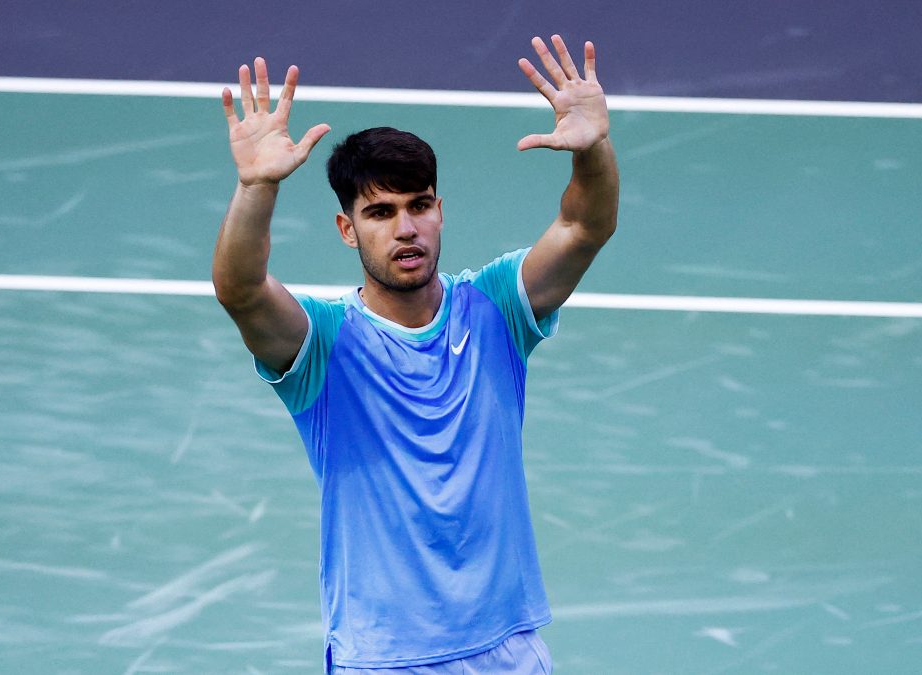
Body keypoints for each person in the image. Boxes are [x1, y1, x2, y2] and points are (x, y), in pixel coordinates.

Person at [212, 35, 618, 674]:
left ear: (439, 210)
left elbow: (583, 227)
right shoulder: (322, 344)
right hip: (385, 658)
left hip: (506, 650)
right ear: (348, 229)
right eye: (380, 212)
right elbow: (240, 290)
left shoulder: (497, 310)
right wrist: (256, 187)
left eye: (419, 205)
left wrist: (593, 149)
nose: (405, 228)